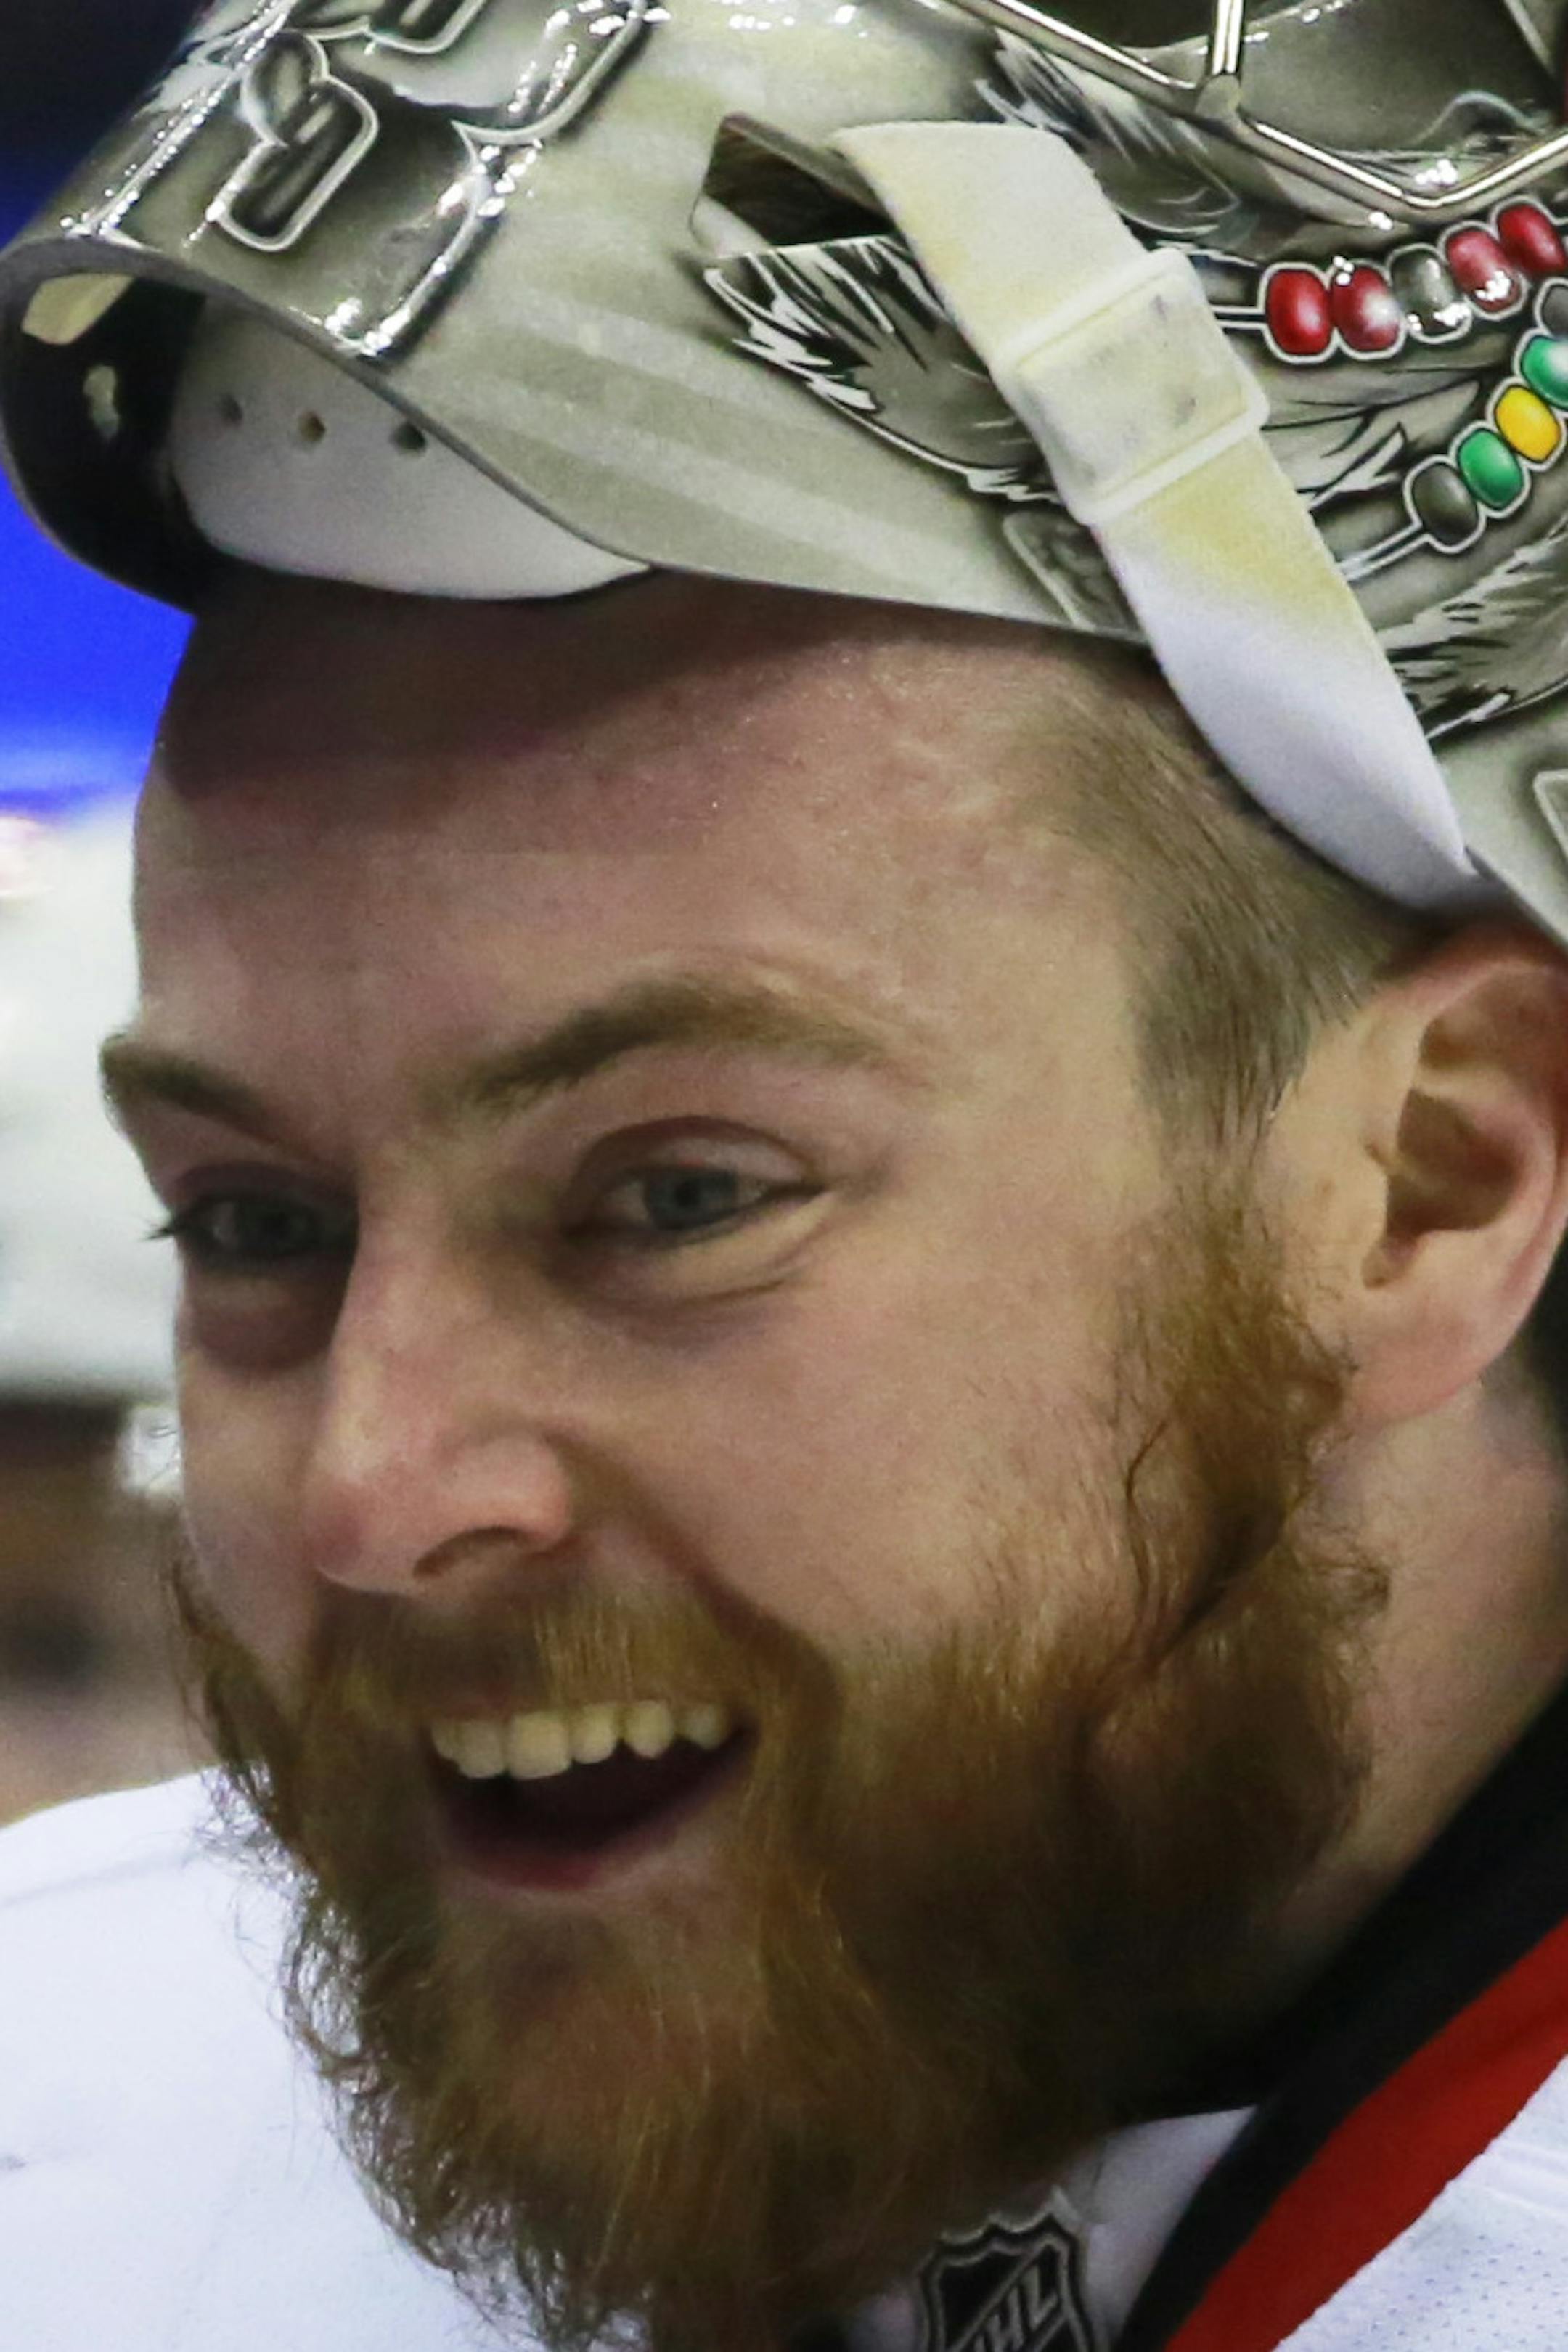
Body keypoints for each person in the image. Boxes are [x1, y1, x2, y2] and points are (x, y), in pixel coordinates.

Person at [4, 3, 1568, 2349]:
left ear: (1427, 1183)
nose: (371, 1484)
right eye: (256, 1226)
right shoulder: (74, 2134)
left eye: (676, 1196)